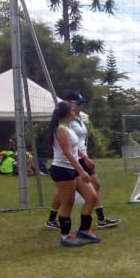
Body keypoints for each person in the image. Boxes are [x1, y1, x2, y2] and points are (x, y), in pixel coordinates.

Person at [44, 93, 119, 230]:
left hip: (79, 158)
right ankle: (54, 220)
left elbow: (76, 143)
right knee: (66, 196)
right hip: (72, 162)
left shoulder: (78, 119)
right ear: (70, 105)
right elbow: (67, 150)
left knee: (93, 188)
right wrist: (82, 162)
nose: (81, 106)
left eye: (81, 103)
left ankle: (98, 220)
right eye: (78, 104)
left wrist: (85, 157)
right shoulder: (65, 125)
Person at [47, 101, 101, 247]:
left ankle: (84, 230)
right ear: (67, 113)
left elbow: (75, 148)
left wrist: (85, 158)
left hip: (73, 168)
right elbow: (68, 153)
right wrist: (82, 171)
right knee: (68, 203)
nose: (75, 111)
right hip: (62, 170)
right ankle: (65, 237)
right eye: (72, 110)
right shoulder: (61, 130)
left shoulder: (69, 127)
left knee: (92, 197)